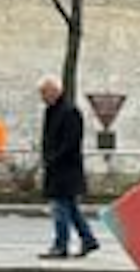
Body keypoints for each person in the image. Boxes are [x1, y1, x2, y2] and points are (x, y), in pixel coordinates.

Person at [36, 75, 99, 258]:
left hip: (65, 169)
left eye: (44, 92)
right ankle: (88, 240)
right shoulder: (52, 111)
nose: (42, 97)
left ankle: (60, 245)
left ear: (54, 91)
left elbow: (71, 142)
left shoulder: (70, 112)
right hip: (57, 168)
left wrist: (52, 159)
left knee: (60, 208)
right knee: (70, 208)